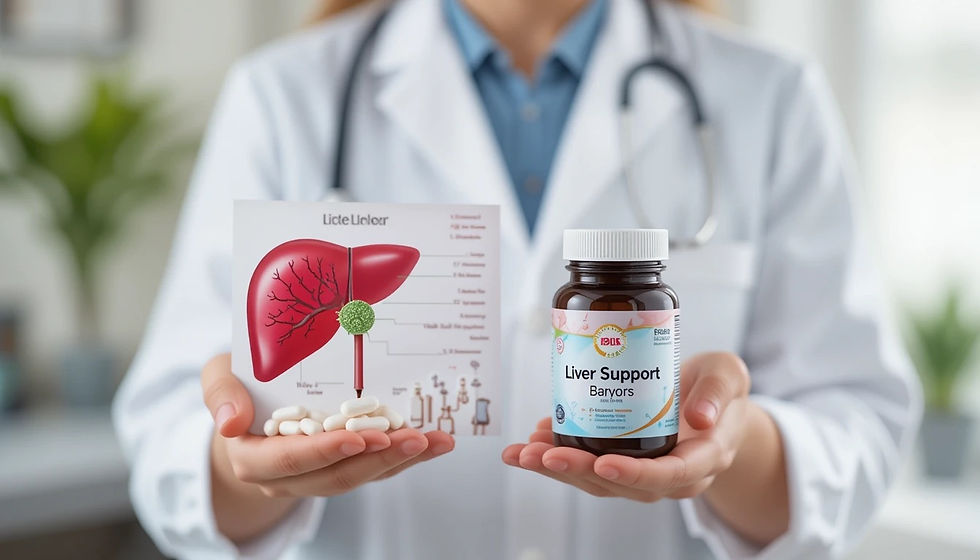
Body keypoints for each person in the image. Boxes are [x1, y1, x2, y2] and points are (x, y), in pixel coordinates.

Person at [113, 0, 921, 558]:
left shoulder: (768, 93)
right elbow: (169, 449)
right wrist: (242, 466)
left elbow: (856, 433)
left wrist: (732, 448)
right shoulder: (283, 96)